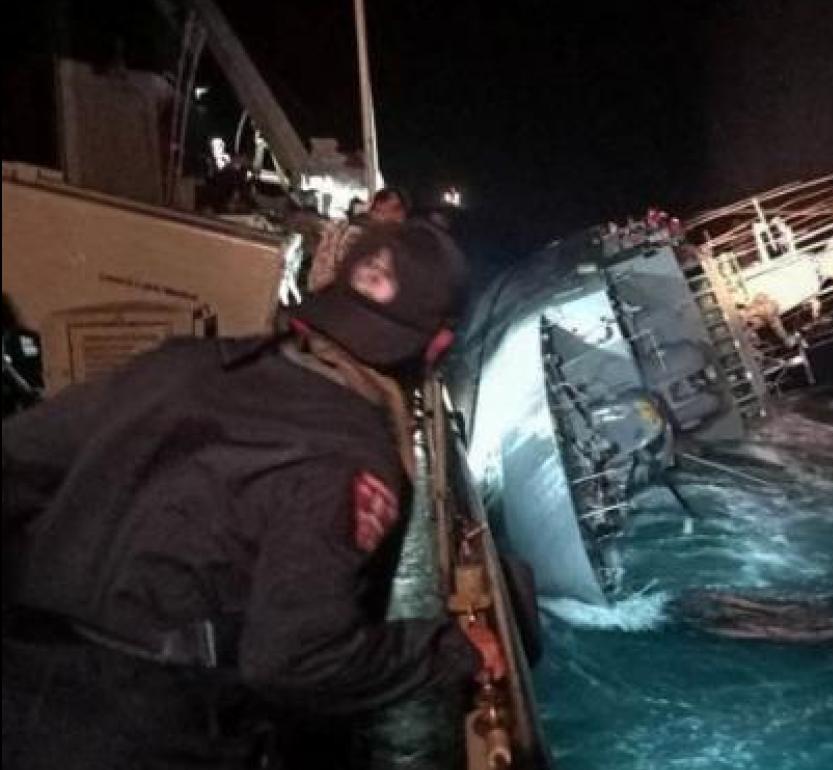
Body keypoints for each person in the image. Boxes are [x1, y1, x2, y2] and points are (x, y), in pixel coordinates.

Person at [2, 222, 501, 769]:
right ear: (438, 346)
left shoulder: (182, 364)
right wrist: (453, 649)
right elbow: (296, 659)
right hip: (154, 735)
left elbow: (16, 460)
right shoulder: (346, 459)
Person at [306, 187, 412, 293]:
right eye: (396, 209)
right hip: (335, 297)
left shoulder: (343, 227)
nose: (399, 219)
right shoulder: (362, 237)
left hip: (323, 294)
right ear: (379, 208)